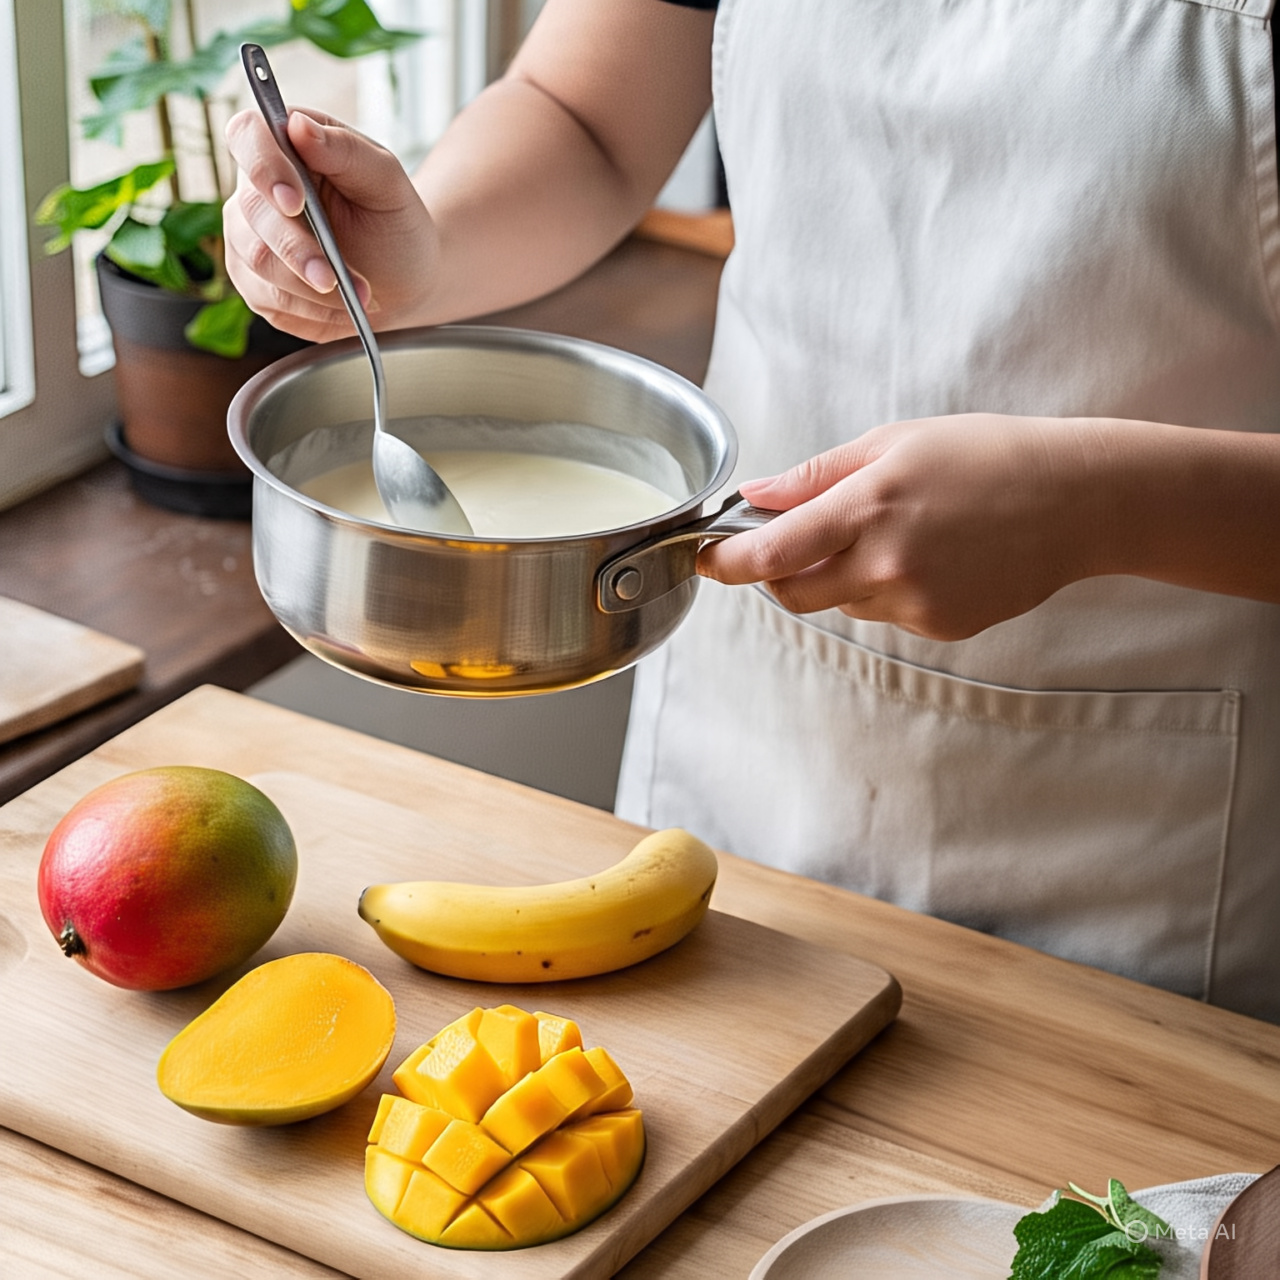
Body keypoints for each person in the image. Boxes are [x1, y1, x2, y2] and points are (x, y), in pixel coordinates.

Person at [224, 0, 1280, 1022]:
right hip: (753, 730)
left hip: (1155, 831)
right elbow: (585, 117)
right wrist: (422, 245)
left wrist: (1101, 506)